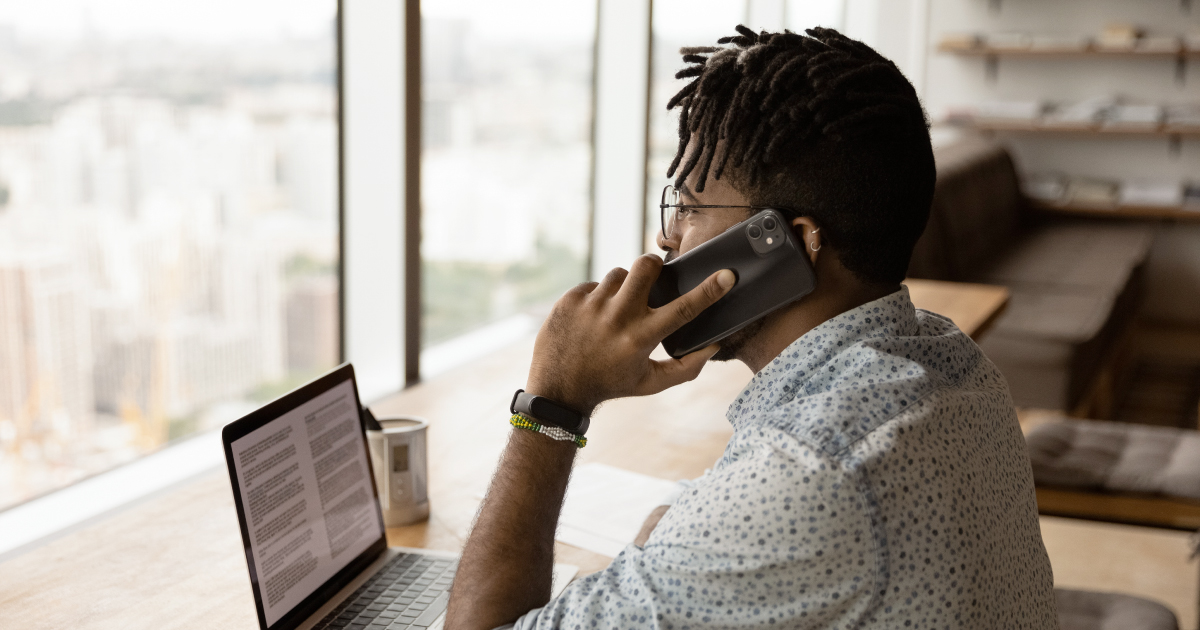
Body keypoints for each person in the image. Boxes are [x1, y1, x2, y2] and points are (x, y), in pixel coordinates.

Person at [445, 26, 1057, 630]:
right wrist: (685, 536)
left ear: (791, 241)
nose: (666, 238)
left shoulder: (808, 478)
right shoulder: (954, 360)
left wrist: (554, 402)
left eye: (689, 208)